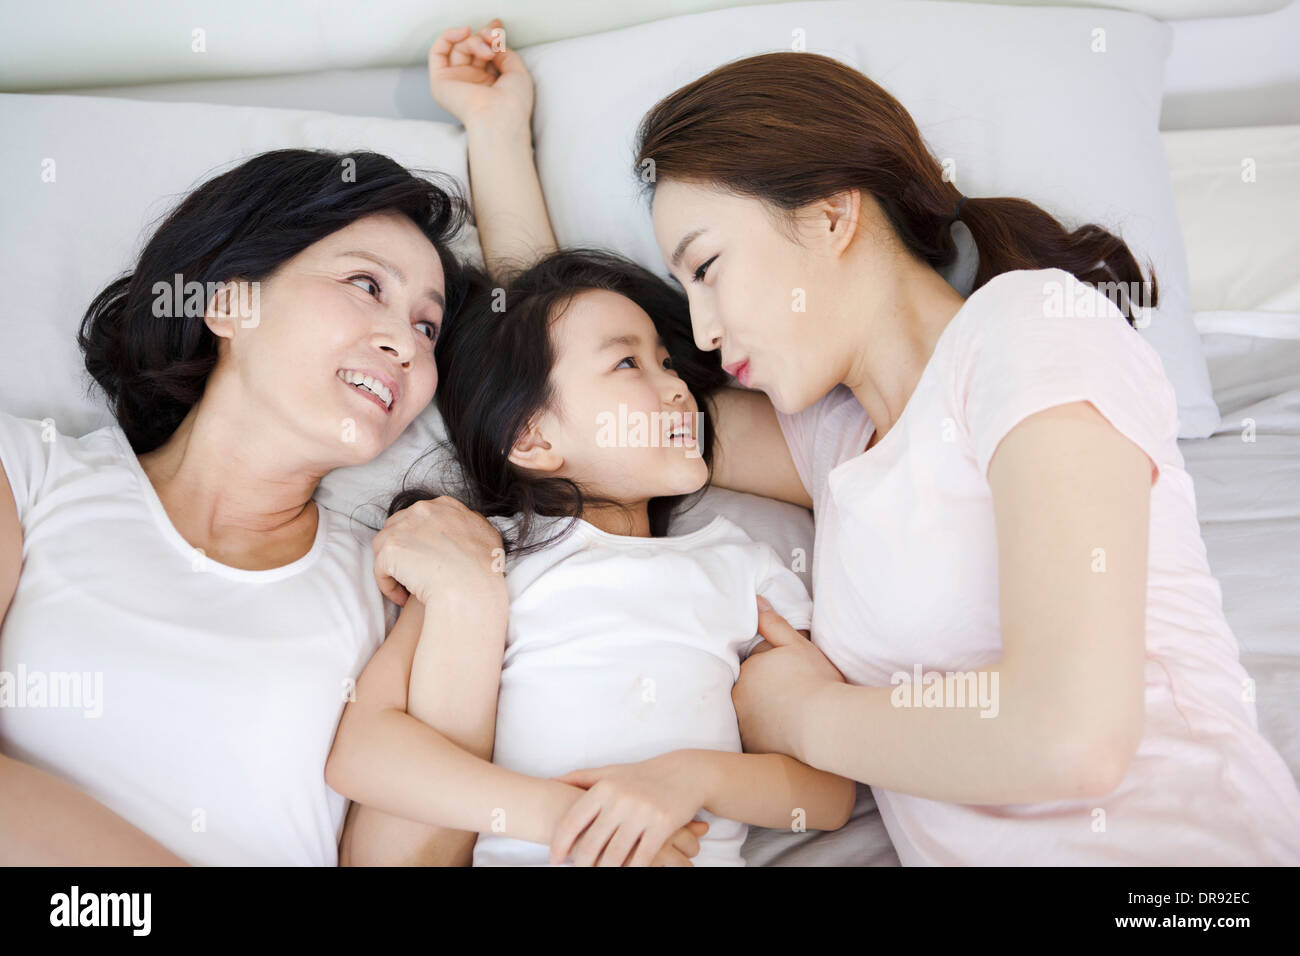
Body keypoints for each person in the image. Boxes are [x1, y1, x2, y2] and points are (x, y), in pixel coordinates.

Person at [439, 20, 1300, 863]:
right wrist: (495, 132)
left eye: (705, 268)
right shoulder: (834, 442)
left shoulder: (1032, 329)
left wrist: (800, 715)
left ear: (829, 216)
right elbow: (569, 380)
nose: (700, 331)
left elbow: (1071, 736)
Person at [0, 147, 507, 866]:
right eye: (366, 284)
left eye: (427, 329)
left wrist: (471, 603)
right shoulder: (27, 473)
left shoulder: (392, 589)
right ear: (228, 301)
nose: (403, 343)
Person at [327, 249, 856, 866]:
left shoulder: (741, 568)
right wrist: (573, 819)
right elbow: (362, 753)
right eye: (628, 362)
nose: (678, 386)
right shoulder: (482, 559)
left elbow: (826, 795)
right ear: (532, 438)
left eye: (665, 360)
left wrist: (690, 779)